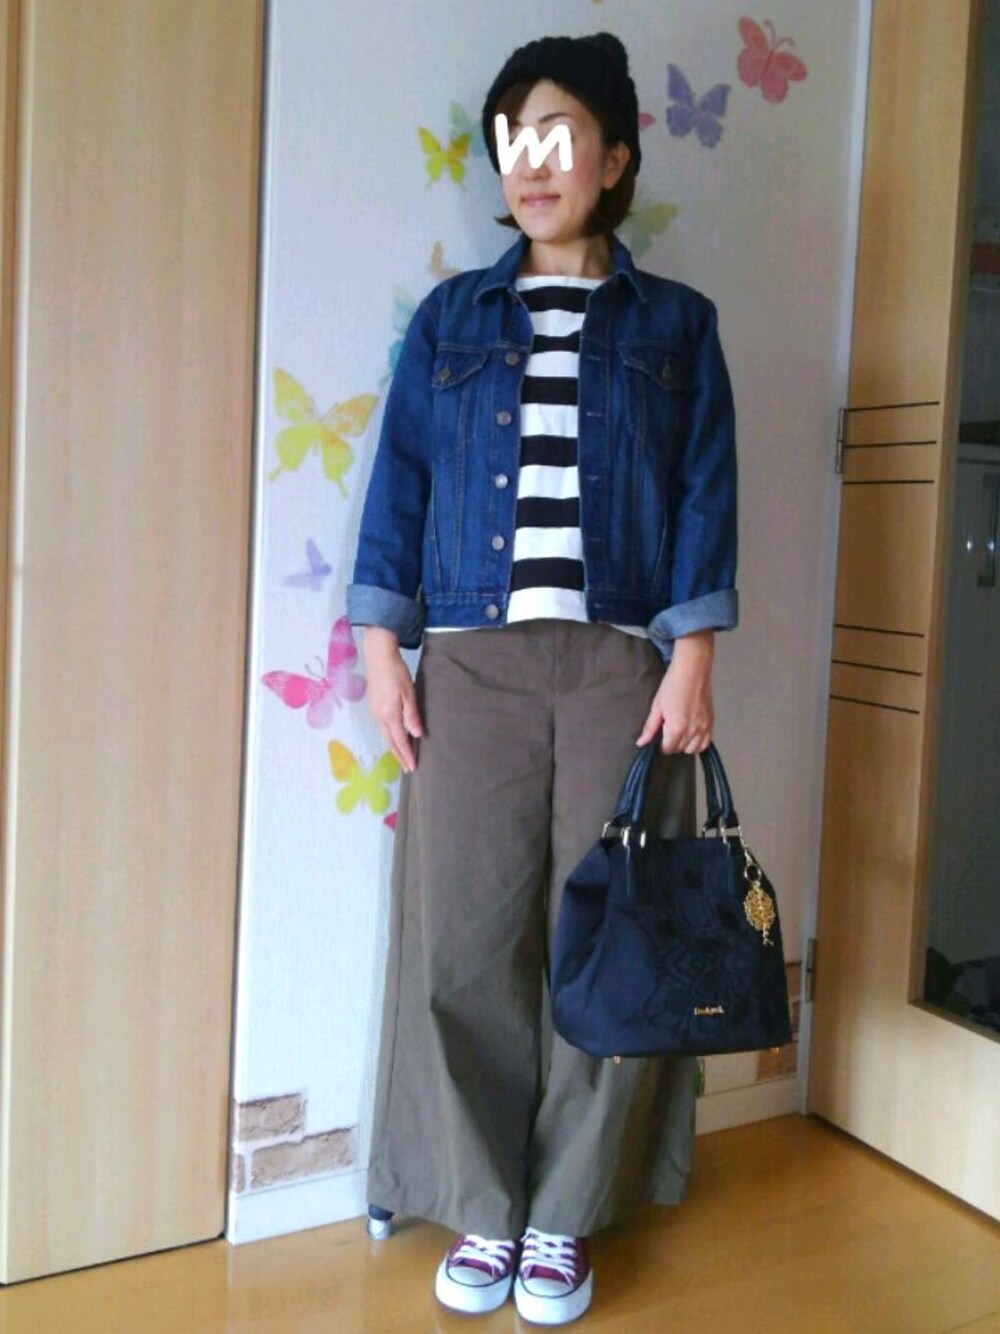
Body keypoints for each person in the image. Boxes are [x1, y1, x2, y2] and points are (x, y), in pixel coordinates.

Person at [347, 31, 738, 1327]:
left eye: (562, 135)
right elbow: (400, 486)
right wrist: (381, 649)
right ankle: (481, 1199)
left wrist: (693, 653)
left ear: (615, 159)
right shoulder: (452, 320)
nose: (534, 160)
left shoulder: (679, 324)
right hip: (474, 665)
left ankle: (563, 1213)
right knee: (464, 935)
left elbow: (705, 492)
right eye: (515, 138)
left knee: (611, 940)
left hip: (624, 663)